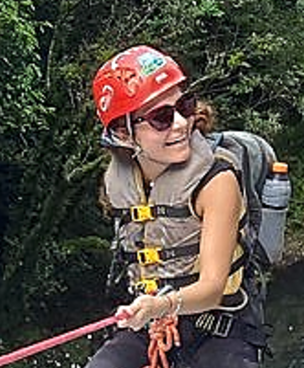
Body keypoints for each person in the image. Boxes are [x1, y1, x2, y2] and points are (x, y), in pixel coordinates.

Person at [86, 45, 268, 368]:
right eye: (161, 118)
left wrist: (161, 306)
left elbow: (212, 288)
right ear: (122, 133)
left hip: (220, 324)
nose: (182, 123)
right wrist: (150, 311)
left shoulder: (217, 180)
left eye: (184, 105)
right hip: (151, 319)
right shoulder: (122, 182)